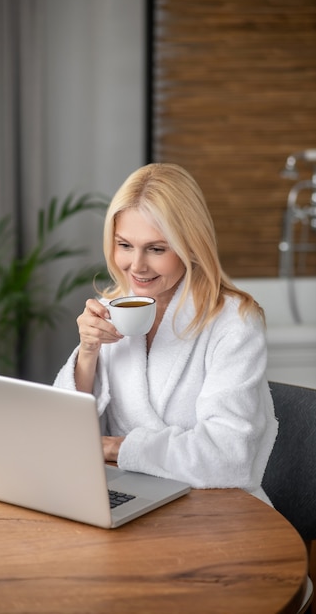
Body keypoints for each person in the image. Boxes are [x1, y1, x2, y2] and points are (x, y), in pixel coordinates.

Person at [54, 162, 278, 503]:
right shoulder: (113, 307)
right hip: (127, 491)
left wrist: (119, 447)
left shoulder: (233, 322)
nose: (136, 266)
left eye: (156, 249)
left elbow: (230, 454)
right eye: (124, 245)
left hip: (218, 503)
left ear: (190, 245)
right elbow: (64, 434)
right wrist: (88, 350)